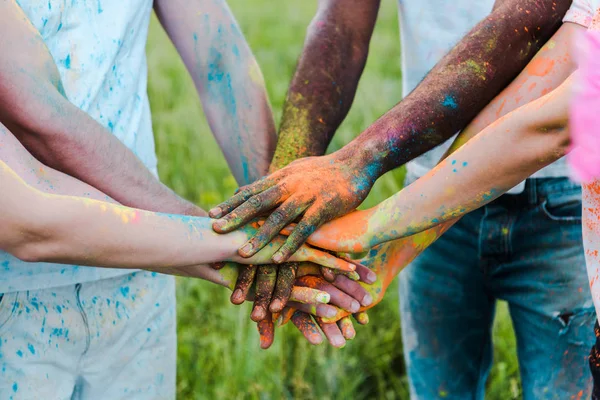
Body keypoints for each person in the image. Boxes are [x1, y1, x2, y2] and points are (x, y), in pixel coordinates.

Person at [211, 0, 596, 397]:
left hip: (561, 194)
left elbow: (529, 34)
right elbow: (342, 26)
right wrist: (286, 205)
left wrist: (360, 166)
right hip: (425, 188)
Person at [0, 0, 369, 397]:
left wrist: (278, 223)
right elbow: (38, 119)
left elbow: (218, 56)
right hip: (17, 286)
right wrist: (231, 242)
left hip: (144, 270)